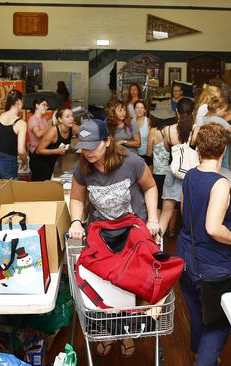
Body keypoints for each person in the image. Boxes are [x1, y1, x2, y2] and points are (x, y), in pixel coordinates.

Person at [68, 119, 159, 359]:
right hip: (102, 232)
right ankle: (110, 329)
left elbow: (150, 187)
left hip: (132, 229)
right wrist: (77, 220)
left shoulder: (131, 163)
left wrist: (153, 219)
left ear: (107, 142)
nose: (87, 152)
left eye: (92, 146)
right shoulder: (82, 168)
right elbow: (77, 197)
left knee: (130, 280)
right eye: (83, 147)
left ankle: (126, 331)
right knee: (104, 280)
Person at [177, 122, 231, 366]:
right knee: (218, 319)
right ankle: (204, 361)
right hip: (211, 264)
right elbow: (213, 228)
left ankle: (200, 354)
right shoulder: (220, 183)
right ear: (223, 149)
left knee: (196, 311)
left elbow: (185, 212)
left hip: (185, 255)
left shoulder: (190, 175)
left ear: (198, 149)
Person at [159, 98, 195, 236]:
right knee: (189, 215)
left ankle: (156, 246)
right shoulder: (196, 130)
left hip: (173, 173)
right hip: (191, 176)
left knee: (165, 213)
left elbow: (168, 149)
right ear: (193, 112)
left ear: (176, 112)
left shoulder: (167, 130)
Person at [146, 106, 177, 231]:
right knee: (172, 202)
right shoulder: (172, 131)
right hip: (171, 172)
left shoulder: (153, 131)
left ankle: (157, 232)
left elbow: (148, 153)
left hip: (158, 173)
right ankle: (171, 230)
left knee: (158, 202)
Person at [33, 108, 77, 181]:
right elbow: (38, 150)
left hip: (52, 160)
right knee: (42, 187)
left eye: (72, 116)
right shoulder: (53, 131)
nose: (71, 118)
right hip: (40, 161)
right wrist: (57, 151)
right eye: (67, 116)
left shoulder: (72, 128)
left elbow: (83, 132)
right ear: (60, 119)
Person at [27, 97, 51, 180]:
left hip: (43, 152)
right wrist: (50, 127)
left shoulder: (43, 120)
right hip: (36, 154)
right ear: (37, 105)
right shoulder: (33, 119)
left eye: (47, 105)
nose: (46, 107)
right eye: (44, 105)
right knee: (38, 180)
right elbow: (38, 134)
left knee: (45, 179)